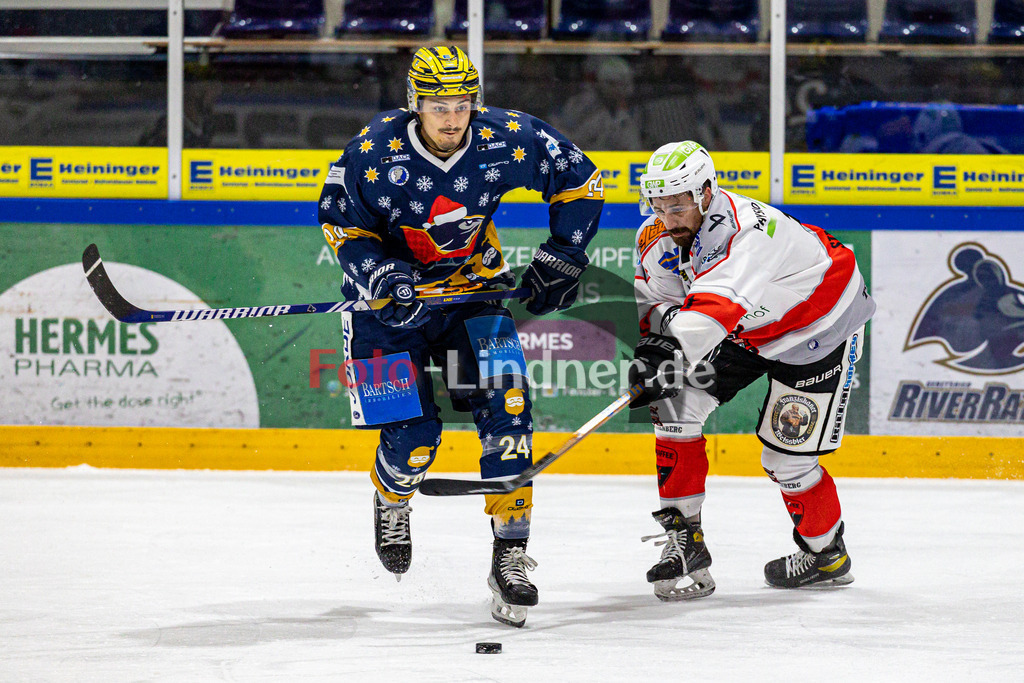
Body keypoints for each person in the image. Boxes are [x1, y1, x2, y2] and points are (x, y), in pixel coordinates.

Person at [316, 46, 604, 627]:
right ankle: (392, 497)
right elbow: (341, 223)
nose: (452, 117)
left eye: (461, 103)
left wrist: (566, 254)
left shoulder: (507, 139)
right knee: (413, 439)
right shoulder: (373, 151)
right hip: (382, 311)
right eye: (437, 105)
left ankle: (511, 558)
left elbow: (582, 181)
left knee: (510, 413)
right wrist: (380, 273)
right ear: (414, 104)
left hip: (474, 294)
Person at [628, 140, 875, 600]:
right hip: (742, 330)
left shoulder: (749, 231)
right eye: (658, 204)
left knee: (786, 459)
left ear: (706, 192)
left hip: (816, 331)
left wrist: (667, 353)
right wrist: (654, 353)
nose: (667, 216)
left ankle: (827, 557)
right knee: (674, 403)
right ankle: (686, 543)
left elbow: (710, 312)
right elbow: (659, 304)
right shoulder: (655, 237)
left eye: (677, 204)